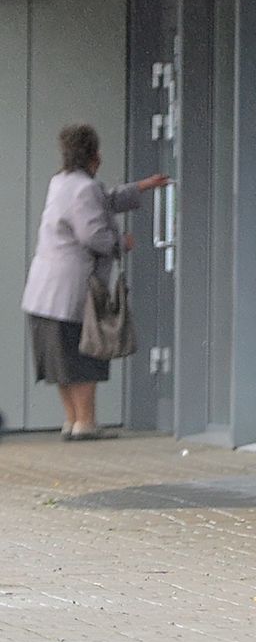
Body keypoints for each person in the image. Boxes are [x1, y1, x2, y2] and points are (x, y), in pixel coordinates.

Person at [21, 125, 167, 440]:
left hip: (44, 291)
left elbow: (103, 198)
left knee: (60, 359)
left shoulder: (61, 182)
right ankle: (86, 423)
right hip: (72, 290)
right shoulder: (84, 188)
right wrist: (121, 242)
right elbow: (92, 233)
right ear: (94, 156)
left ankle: (72, 421)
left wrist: (140, 187)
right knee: (84, 354)